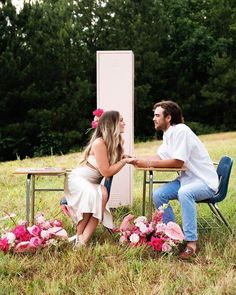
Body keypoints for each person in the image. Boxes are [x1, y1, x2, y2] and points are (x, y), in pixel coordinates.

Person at [133, 100, 218, 260]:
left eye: (157, 115)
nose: (154, 118)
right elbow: (159, 157)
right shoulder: (168, 134)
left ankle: (191, 244)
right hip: (186, 179)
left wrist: (148, 163)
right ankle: (173, 236)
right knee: (159, 195)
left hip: (204, 181)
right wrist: (136, 160)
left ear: (168, 117)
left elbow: (178, 162)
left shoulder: (182, 131)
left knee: (185, 193)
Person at [64, 110, 135, 248]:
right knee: (96, 195)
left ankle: (82, 240)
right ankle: (79, 237)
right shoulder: (99, 142)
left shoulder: (116, 142)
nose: (124, 123)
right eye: (121, 120)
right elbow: (107, 172)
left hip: (92, 182)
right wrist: (124, 162)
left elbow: (110, 162)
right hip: (80, 179)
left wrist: (124, 157)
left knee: (101, 196)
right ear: (112, 124)